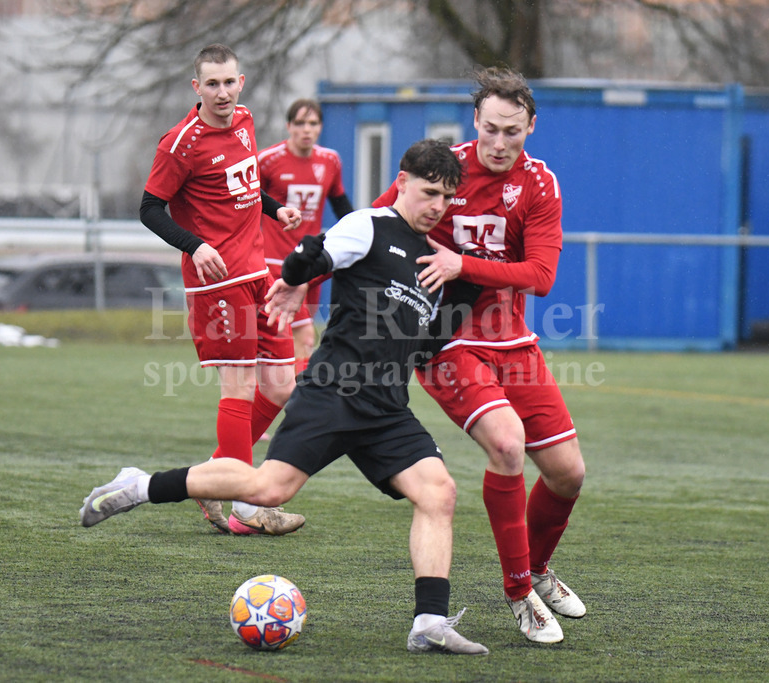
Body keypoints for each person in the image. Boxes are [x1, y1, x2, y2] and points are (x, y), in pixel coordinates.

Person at [81, 138, 488, 655]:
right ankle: (140, 485)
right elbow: (311, 251)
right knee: (269, 490)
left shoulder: (435, 261)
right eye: (430, 192)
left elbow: (425, 346)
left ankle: (429, 622)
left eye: (447, 199)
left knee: (439, 493)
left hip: (387, 406)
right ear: (403, 181)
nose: (437, 206)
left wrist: (465, 297)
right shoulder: (369, 225)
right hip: (334, 391)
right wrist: (296, 278)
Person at [373, 67, 585, 645]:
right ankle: (519, 592)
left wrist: (461, 263)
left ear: (530, 127)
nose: (498, 143)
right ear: (475, 122)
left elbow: (541, 276)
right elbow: (377, 222)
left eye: (511, 132)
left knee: (568, 475)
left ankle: (537, 568)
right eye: (489, 129)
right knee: (508, 444)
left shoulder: (540, 184)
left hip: (511, 339)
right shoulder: (445, 170)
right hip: (445, 339)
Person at [138, 43, 304, 536]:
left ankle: (214, 478)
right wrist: (194, 246)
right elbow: (149, 209)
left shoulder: (246, 120)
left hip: (257, 273)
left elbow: (244, 186)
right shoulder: (180, 144)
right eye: (212, 83)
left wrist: (275, 210)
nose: (222, 92)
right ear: (197, 88)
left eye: (229, 82)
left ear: (241, 82)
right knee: (239, 388)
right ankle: (247, 506)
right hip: (218, 283)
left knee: (281, 385)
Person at [258, 99, 353, 374]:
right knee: (303, 337)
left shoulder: (330, 161)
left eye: (312, 123)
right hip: (275, 263)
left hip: (310, 264)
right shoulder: (267, 161)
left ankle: (282, 396)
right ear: (288, 126)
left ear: (321, 127)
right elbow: (249, 202)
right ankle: (299, 403)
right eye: (299, 123)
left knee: (296, 342)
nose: (306, 130)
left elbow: (340, 204)